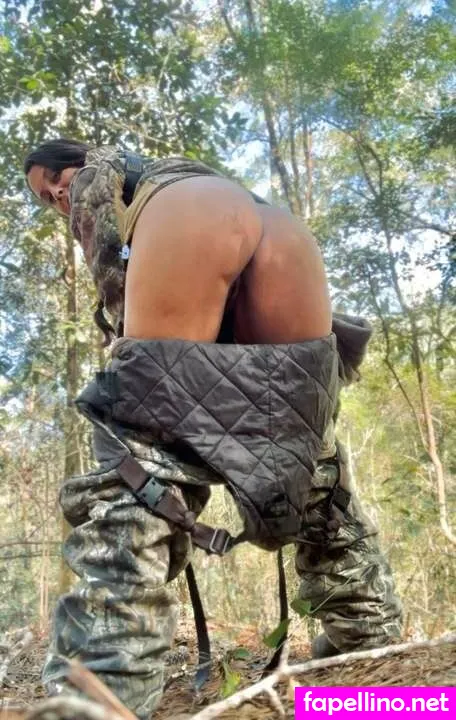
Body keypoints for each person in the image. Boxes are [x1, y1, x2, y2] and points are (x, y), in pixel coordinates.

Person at [25, 138, 402, 718]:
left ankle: (100, 691)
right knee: (309, 461)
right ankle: (369, 653)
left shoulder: (99, 176)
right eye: (43, 194)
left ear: (80, 160)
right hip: (283, 235)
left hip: (190, 220)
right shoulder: (161, 170)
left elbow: (115, 275)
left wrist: (124, 344)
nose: (56, 192)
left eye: (56, 177)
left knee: (141, 462)